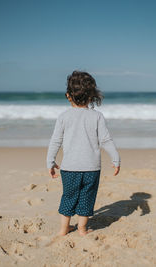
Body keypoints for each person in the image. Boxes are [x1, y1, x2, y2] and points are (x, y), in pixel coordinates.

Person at [47, 70, 121, 236]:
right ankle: (82, 229)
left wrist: (50, 161)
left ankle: (64, 229)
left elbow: (55, 141)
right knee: (87, 197)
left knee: (68, 196)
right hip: (91, 168)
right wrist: (115, 158)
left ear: (68, 95)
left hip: (69, 168)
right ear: (92, 96)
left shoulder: (64, 117)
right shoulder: (97, 116)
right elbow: (106, 140)